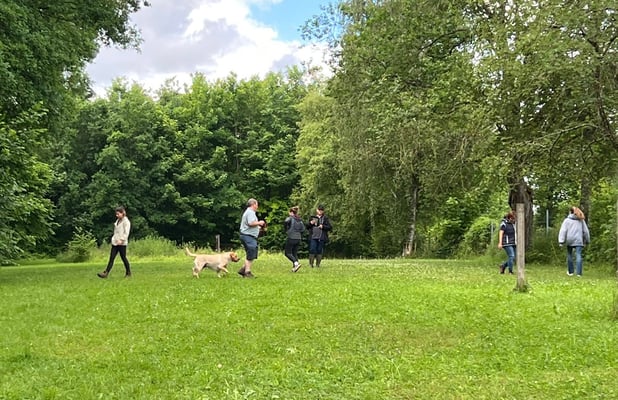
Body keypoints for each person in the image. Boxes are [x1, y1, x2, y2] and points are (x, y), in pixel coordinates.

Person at [97, 206, 132, 278]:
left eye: (118, 214)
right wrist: (114, 239)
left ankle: (128, 272)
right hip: (115, 242)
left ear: (122, 213)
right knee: (111, 258)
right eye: (116, 214)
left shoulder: (126, 222)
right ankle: (106, 273)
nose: (117, 215)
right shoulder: (117, 221)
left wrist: (121, 240)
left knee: (123, 258)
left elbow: (126, 233)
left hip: (122, 244)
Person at [558, 206, 591, 277]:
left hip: (570, 239)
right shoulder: (581, 220)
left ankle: (571, 272)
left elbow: (563, 231)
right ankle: (579, 273)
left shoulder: (567, 220)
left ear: (570, 212)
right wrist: (587, 240)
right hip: (578, 239)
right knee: (578, 254)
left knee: (569, 254)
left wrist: (561, 241)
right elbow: (586, 231)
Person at [238, 198, 266, 279]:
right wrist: (260, 223)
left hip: (247, 235)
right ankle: (247, 272)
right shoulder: (250, 212)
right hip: (248, 236)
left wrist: (258, 228)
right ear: (253, 204)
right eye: (257, 205)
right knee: (251, 252)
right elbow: (250, 223)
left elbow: (250, 224)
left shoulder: (249, 212)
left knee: (251, 252)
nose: (257, 207)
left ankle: (243, 269)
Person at [284, 206, 305, 272]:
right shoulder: (299, 220)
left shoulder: (290, 218)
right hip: (298, 238)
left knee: (287, 253)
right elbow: (303, 229)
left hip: (291, 237)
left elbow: (286, 222)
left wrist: (286, 229)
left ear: (291, 212)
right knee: (294, 253)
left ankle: (296, 263)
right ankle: (295, 268)